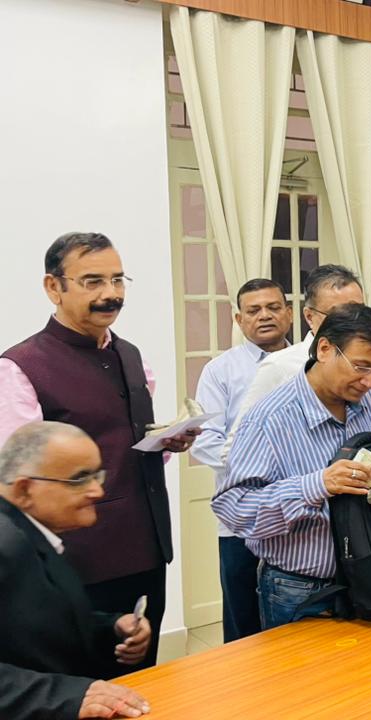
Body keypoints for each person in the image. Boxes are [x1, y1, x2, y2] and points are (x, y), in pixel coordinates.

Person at [0, 232, 196, 671]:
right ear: (53, 287)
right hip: (73, 563)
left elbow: (123, 443)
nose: (111, 294)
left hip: (146, 548)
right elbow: (17, 484)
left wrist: (164, 443)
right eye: (93, 281)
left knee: (143, 678)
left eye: (117, 279)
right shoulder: (20, 367)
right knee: (80, 686)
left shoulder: (131, 355)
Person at [212, 304, 371, 629]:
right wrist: (316, 486)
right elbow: (234, 508)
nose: (370, 381)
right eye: (361, 366)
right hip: (300, 589)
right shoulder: (270, 420)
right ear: (325, 349)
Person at [0, 422, 152, 720]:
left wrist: (112, 627)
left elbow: (30, 625)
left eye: (97, 475)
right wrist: (64, 696)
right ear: (24, 489)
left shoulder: (30, 532)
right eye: (79, 479)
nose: (98, 490)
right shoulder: (6, 543)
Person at [190, 278, 292, 642]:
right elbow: (205, 441)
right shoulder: (221, 371)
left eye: (273, 307)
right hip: (242, 517)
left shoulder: (308, 362)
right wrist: (261, 467)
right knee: (242, 624)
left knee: (297, 626)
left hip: (302, 516)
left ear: (289, 312)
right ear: (239, 319)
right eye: (254, 310)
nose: (265, 316)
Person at [223, 264, 365, 459]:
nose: (352, 322)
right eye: (338, 315)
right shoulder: (280, 367)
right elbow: (236, 450)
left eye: (358, 312)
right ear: (309, 316)